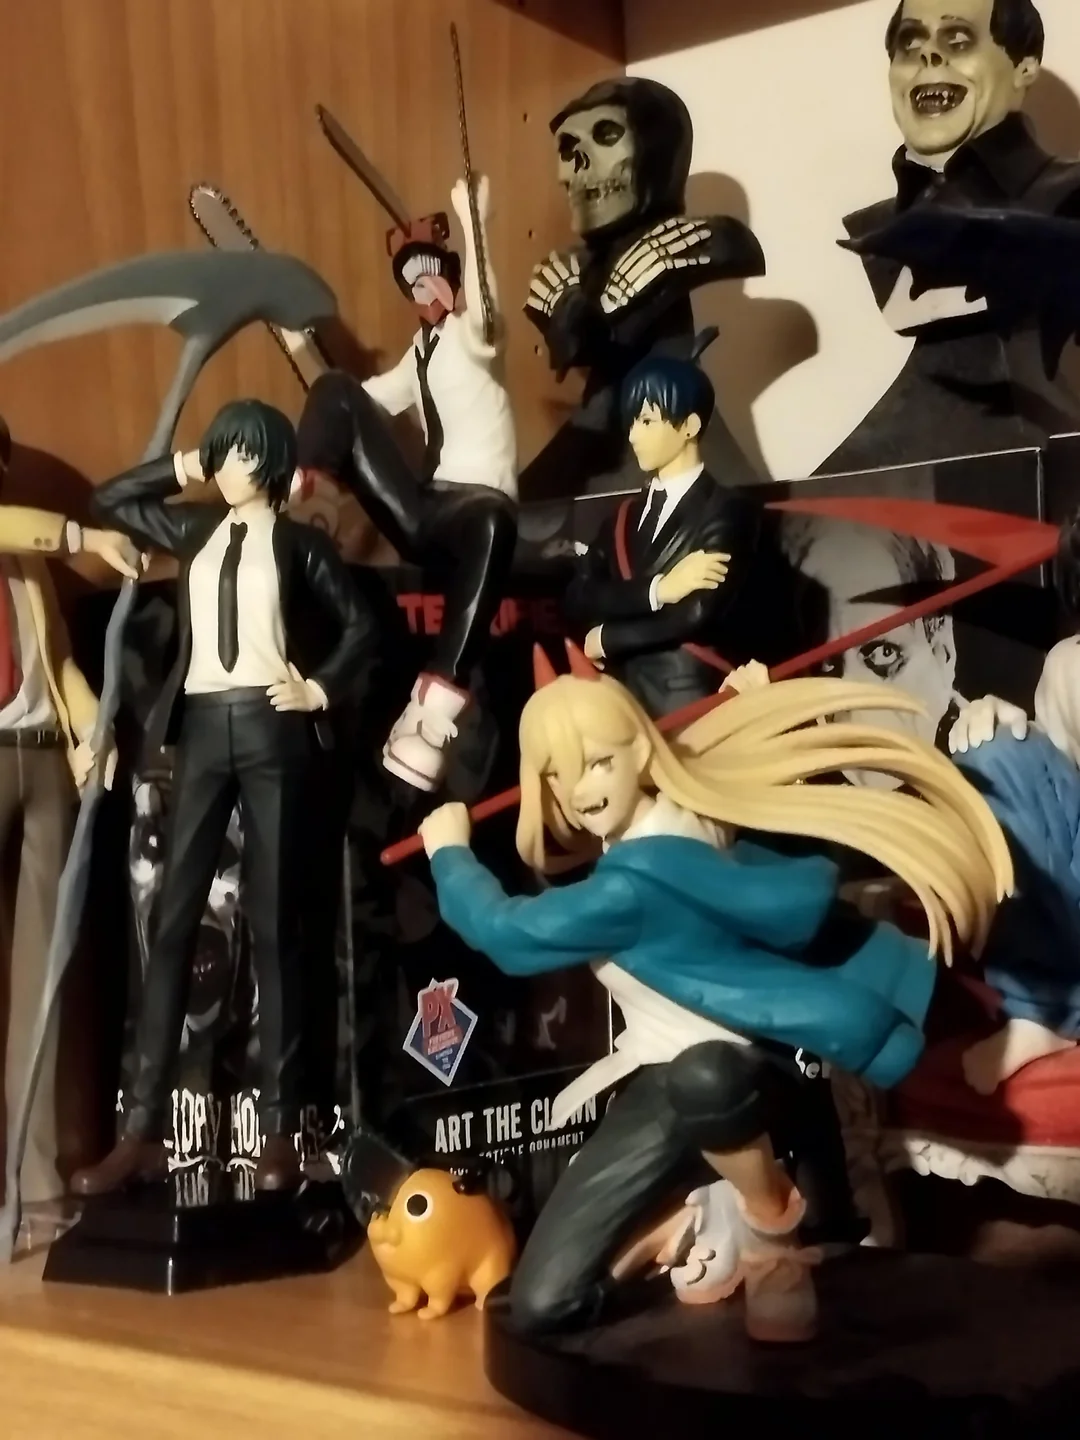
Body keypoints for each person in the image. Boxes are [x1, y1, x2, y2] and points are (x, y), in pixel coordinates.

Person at [417, 645, 1011, 1342]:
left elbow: (507, 933)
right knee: (545, 1301)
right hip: (718, 1081)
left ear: (642, 750)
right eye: (555, 773)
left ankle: (767, 1227)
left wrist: (450, 854)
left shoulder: (632, 887)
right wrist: (753, 709)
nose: (577, 790)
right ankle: (694, 1208)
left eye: (597, 762)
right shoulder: (699, 810)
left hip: (733, 1081)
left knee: (700, 1080)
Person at [72, 399, 375, 1195]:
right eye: (220, 452)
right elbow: (111, 499)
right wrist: (185, 464)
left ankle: (280, 1129)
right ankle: (141, 1129)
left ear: (269, 459)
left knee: (274, 926)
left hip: (271, 726)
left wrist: (317, 689)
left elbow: (361, 627)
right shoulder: (197, 529)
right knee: (172, 919)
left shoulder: (301, 545)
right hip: (203, 726)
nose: (225, 466)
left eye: (238, 452)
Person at [296, 176, 518, 794]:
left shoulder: (476, 335)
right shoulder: (419, 353)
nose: (424, 290)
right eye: (412, 284)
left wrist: (473, 222)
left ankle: (431, 711)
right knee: (337, 390)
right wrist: (302, 349)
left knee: (494, 522)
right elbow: (361, 404)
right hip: (425, 507)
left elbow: (487, 307)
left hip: (477, 506)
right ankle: (298, 492)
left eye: (431, 276)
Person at [822, 0, 1080, 473]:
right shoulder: (878, 226)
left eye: (958, 41)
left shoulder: (1072, 196)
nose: (929, 56)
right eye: (909, 43)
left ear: (1024, 67)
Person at [0, 414, 136, 1206]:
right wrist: (83, 535)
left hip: (41, 755)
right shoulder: (28, 535)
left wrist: (92, 727)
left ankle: (38, 1178)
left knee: (45, 978)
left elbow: (54, 659)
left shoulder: (25, 565)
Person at [565, 348, 792, 720]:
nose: (633, 435)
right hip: (620, 700)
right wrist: (660, 590)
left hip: (688, 701)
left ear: (689, 426)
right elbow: (580, 596)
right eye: (632, 422)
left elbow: (696, 612)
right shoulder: (621, 517)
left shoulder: (726, 509)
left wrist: (606, 638)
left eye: (647, 421)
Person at [782, 513, 965, 786]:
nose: (851, 702)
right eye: (827, 664)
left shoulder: (1000, 770)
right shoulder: (797, 791)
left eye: (884, 653)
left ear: (943, 653)